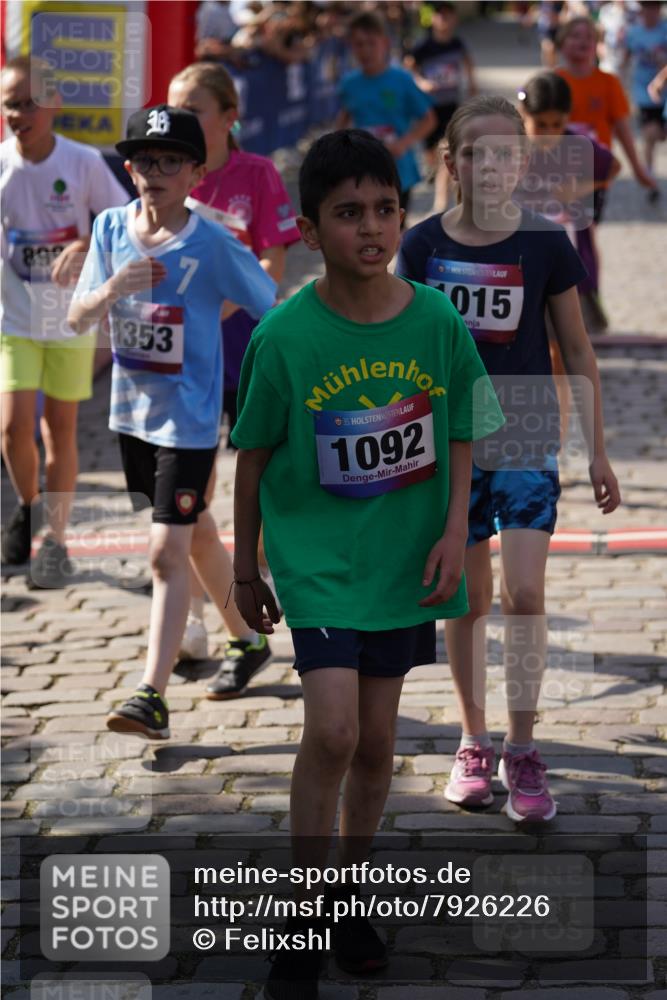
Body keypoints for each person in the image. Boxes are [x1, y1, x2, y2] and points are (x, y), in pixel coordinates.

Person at [230, 128, 504, 997]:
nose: (372, 227)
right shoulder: (284, 336)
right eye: (349, 213)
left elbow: (460, 426)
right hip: (315, 564)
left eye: (385, 209)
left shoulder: (435, 321)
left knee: (379, 744)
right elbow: (251, 457)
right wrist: (244, 567)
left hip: (402, 561)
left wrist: (456, 530)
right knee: (335, 732)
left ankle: (348, 890)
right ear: (310, 230)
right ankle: (302, 915)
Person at [397, 95, 621, 824]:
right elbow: (401, 346)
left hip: (523, 427)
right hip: (447, 439)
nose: (489, 166)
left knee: (524, 594)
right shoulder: (421, 245)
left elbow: (576, 347)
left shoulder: (545, 242)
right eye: (475, 154)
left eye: (503, 154)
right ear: (451, 162)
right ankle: (472, 741)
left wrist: (596, 451)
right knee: (465, 597)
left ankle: (522, 748)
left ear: (522, 164)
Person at [68, 104, 276, 739]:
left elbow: (268, 301)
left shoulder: (211, 243)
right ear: (129, 169)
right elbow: (77, 318)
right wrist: (114, 288)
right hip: (131, 415)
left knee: (165, 552)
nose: (154, 172)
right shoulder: (111, 228)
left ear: (195, 173)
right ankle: (248, 642)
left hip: (188, 420)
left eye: (170, 162)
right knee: (196, 533)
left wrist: (214, 316)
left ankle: (150, 696)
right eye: (144, 161)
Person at [166, 61, 299, 683]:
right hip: (186, 360)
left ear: (228, 116)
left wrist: (221, 304)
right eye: (174, 106)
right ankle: (195, 620)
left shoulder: (257, 174)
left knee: (255, 482)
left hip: (248, 353)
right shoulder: (168, 174)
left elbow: (272, 264)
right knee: (190, 498)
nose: (181, 119)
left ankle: (258, 585)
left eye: (193, 108)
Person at [0, 55, 129, 586]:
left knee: (60, 430)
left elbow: (119, 222)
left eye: (30, 102)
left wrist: (82, 243)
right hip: (13, 317)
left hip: (69, 317)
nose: (19, 113)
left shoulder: (82, 162)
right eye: (11, 104)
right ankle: (28, 505)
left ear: (53, 103)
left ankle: (54, 539)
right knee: (12, 429)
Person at [515, 71, 621, 332]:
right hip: (519, 256)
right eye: (540, 124)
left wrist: (581, 187)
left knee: (566, 333)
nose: (549, 133)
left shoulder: (578, 145)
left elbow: (613, 166)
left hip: (568, 252)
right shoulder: (510, 147)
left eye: (557, 124)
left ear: (568, 117)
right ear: (523, 113)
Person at [336, 9, 436, 219]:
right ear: (351, 46)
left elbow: (429, 120)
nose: (365, 50)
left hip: (398, 172)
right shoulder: (349, 84)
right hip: (362, 172)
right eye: (359, 44)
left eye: (371, 43)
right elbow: (343, 120)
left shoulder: (401, 79)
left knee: (393, 230)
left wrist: (403, 143)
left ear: (385, 43)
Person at [555, 15, 659, 197]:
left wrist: (637, 168)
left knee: (589, 214)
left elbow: (622, 128)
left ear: (597, 45)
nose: (583, 41)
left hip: (595, 172)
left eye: (589, 37)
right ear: (562, 43)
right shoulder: (553, 82)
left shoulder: (609, 82)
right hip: (560, 170)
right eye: (575, 36)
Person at [404, 0, 477, 212]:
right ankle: (437, 175)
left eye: (448, 15)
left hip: (451, 106)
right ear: (433, 19)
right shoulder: (423, 47)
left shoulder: (457, 44)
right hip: (429, 109)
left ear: (454, 19)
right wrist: (421, 83)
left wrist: (472, 83)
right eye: (440, 15)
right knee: (431, 156)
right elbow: (409, 69)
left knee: (447, 151)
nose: (444, 19)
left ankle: (441, 205)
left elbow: (467, 62)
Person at [622, 0, 667, 197]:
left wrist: (660, 77)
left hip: (665, 94)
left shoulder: (665, 30)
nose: (651, 10)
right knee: (649, 136)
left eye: (655, 6)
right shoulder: (633, 33)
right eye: (647, 6)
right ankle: (650, 179)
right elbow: (625, 57)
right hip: (642, 92)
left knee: (659, 135)